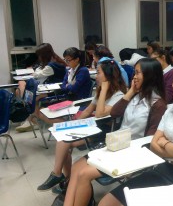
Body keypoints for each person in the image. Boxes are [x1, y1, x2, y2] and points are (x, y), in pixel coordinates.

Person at [97, 59, 173, 206]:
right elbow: (154, 145)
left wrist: (164, 143)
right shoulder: (171, 109)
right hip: (164, 167)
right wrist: (171, 148)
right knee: (107, 202)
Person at [62, 58, 167, 206]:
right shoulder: (135, 96)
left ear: (149, 76)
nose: (134, 77)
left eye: (138, 73)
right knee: (77, 167)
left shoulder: (158, 104)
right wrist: (131, 91)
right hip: (118, 146)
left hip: (132, 153)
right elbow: (115, 112)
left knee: (84, 174)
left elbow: (150, 139)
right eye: (134, 73)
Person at [37, 59, 127, 191]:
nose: (96, 76)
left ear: (108, 76)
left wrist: (103, 90)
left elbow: (99, 114)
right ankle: (64, 177)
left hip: (105, 133)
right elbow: (88, 111)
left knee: (65, 142)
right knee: (63, 140)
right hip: (94, 128)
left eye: (99, 73)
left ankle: (61, 177)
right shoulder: (103, 91)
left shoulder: (118, 95)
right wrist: (73, 124)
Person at [16, 43, 67, 132]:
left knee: (30, 99)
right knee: (26, 95)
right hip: (50, 88)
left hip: (55, 91)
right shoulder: (53, 61)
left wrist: (31, 72)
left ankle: (31, 119)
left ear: (43, 55)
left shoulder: (52, 65)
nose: (38, 57)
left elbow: (37, 74)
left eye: (39, 55)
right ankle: (31, 119)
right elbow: (38, 71)